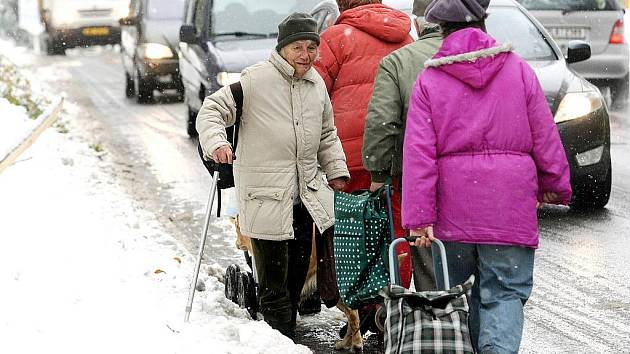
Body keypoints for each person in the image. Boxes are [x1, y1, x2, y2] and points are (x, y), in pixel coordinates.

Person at [401, 0, 572, 353]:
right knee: (505, 292)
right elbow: (544, 133)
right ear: (484, 21)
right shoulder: (518, 69)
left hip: (454, 211)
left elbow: (418, 154)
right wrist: (555, 184)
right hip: (508, 207)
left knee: (460, 295)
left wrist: (419, 219)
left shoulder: (429, 81)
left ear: (441, 30)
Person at [196, 13, 350, 339]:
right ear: (282, 48)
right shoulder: (254, 80)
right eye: (298, 47)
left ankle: (282, 337)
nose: (306, 55)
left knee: (295, 282)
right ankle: (279, 339)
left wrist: (336, 171)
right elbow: (210, 111)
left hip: (303, 198)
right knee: (273, 285)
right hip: (265, 197)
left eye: (312, 47)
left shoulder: (316, 84)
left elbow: (327, 134)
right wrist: (218, 143)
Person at [314, 0, 414, 289]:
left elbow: (312, 93)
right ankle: (396, 297)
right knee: (397, 228)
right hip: (399, 151)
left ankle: (365, 301)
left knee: (355, 232)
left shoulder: (335, 38)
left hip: (350, 155)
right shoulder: (406, 36)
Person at [363, 0, 442, 292]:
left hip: (418, 176)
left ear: (418, 22)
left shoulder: (399, 61)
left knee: (428, 258)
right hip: (480, 179)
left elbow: (383, 121)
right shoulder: (485, 55)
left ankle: (438, 322)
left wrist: (378, 173)